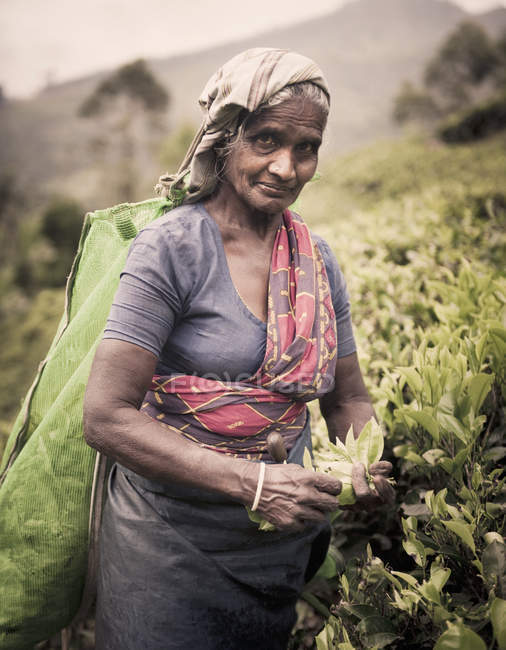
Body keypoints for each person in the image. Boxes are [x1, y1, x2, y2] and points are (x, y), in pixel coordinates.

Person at [83, 47, 394, 650]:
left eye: (307, 148)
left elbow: (348, 396)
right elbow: (106, 417)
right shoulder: (171, 249)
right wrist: (252, 484)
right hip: (169, 548)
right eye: (266, 140)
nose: (286, 166)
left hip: (278, 547)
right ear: (227, 140)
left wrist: (363, 458)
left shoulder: (316, 259)